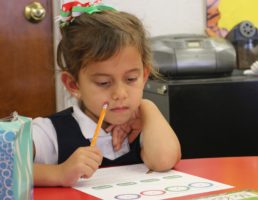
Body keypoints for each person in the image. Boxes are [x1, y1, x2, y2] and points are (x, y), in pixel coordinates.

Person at [32, 1, 181, 187]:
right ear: (73, 84)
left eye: (131, 79)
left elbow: (164, 160)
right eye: (104, 83)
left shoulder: (144, 125)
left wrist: (147, 107)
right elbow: (5, 165)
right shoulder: (50, 132)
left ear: (144, 75)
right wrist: (59, 173)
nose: (120, 94)